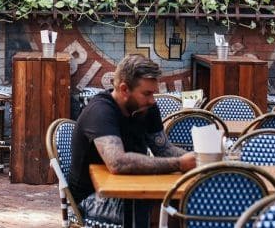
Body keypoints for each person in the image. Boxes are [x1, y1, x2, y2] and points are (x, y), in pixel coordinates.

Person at [68, 54, 196, 227]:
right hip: (90, 199)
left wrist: (202, 161)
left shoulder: (147, 108)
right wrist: (179, 164)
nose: (152, 100)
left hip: (132, 187)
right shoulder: (101, 111)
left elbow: (165, 149)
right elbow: (117, 163)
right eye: (147, 93)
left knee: (190, 196)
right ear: (124, 89)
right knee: (139, 202)